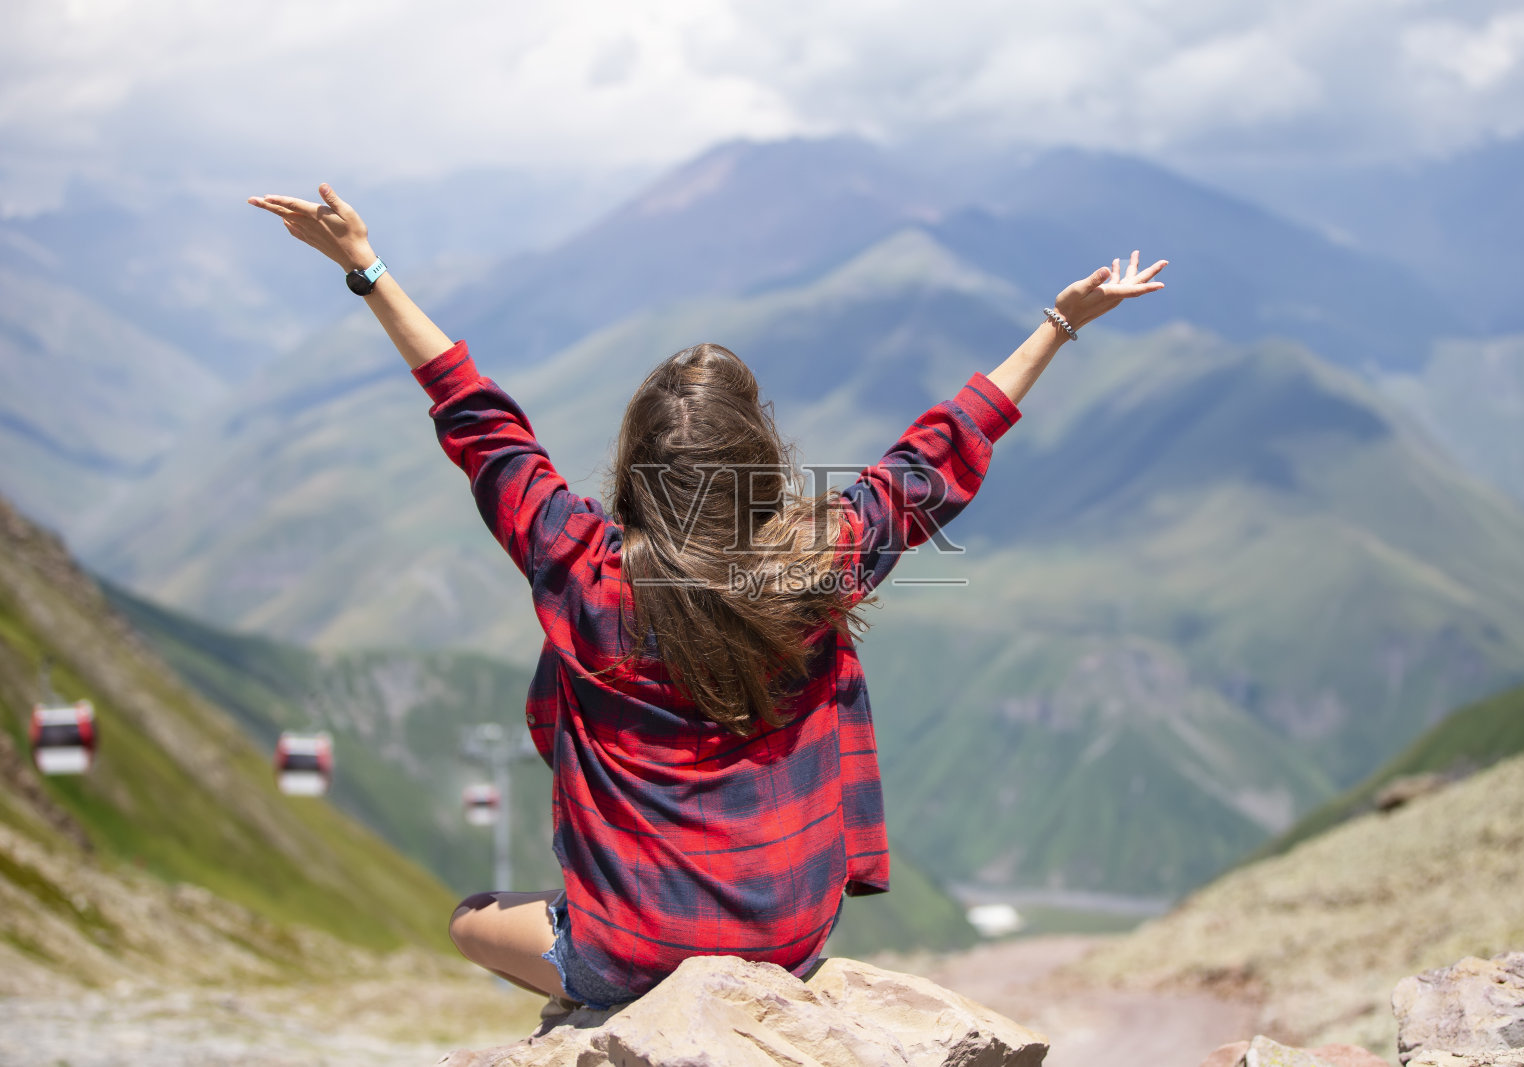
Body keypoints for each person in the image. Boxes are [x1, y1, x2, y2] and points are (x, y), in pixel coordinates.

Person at [248, 182, 1167, 1010]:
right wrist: (1060, 322)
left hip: (627, 956)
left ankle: (603, 973)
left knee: (470, 916)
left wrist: (366, 268)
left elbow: (479, 420)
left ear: (638, 463)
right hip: (788, 944)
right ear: (759, 461)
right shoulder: (818, 563)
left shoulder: (578, 563)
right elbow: (937, 454)